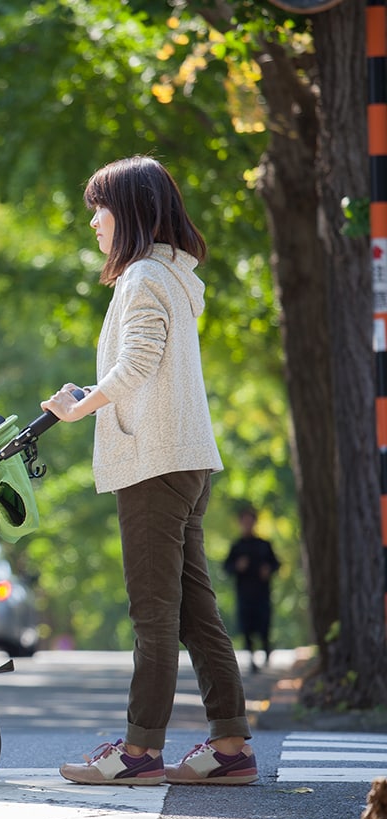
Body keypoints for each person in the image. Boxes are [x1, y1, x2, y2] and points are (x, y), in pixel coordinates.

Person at [41, 156, 257, 786]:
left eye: (98, 210)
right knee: (195, 612)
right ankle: (231, 745)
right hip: (185, 461)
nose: (93, 225)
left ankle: (138, 753)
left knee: (154, 614)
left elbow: (138, 362)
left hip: (154, 465)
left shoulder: (140, 278)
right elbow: (150, 363)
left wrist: (80, 408)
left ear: (128, 212)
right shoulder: (170, 276)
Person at [224, 506, 279, 673]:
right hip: (244, 594)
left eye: (250, 520)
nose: (247, 524)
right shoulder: (237, 546)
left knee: (264, 624)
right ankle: (251, 657)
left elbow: (276, 563)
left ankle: (266, 651)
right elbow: (227, 567)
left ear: (255, 522)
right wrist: (237, 567)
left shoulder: (264, 545)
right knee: (246, 626)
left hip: (262, 593)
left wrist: (268, 569)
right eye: (244, 521)